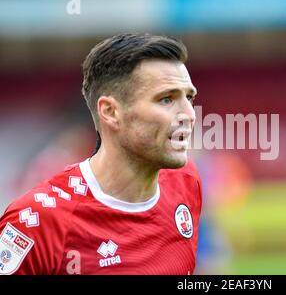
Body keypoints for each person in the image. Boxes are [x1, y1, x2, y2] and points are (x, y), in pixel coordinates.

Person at [0, 33, 202, 275]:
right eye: (166, 99)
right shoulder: (35, 222)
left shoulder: (186, 181)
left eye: (189, 97)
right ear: (110, 112)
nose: (189, 114)